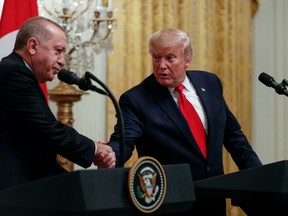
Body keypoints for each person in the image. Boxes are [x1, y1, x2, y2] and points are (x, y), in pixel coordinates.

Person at [108, 28, 262, 215]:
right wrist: (109, 155)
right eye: (156, 58)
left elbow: (234, 137)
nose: (161, 65)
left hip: (214, 202)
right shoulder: (136, 99)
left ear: (187, 59)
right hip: (170, 204)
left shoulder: (210, 82)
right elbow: (123, 140)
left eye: (170, 58)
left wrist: (261, 179)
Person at [0, 16, 115, 191]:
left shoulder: (16, 71)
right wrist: (94, 149)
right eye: (58, 51)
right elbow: (48, 129)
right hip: (15, 190)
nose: (62, 61)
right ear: (32, 46)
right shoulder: (14, 73)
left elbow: (38, 141)